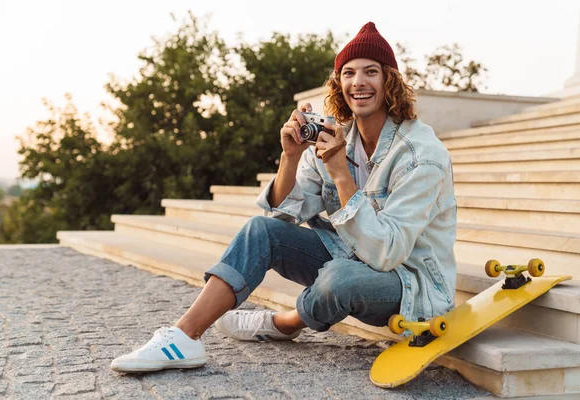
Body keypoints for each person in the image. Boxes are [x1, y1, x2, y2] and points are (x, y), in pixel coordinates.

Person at [110, 21, 457, 373]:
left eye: (371, 72)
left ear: (389, 82)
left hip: (408, 281)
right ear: (340, 85)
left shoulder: (421, 155)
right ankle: (183, 337)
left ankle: (284, 323)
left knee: (340, 278)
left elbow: (387, 252)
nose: (358, 82)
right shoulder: (338, 137)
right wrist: (289, 157)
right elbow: (280, 220)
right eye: (349, 73)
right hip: (348, 254)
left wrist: (340, 173)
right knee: (260, 231)